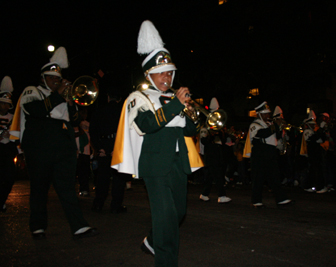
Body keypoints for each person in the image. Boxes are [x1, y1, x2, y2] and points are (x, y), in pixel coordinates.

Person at [111, 20, 201, 266]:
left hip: (178, 163)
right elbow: (146, 125)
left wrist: (190, 113)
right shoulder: (137, 97)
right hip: (155, 163)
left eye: (170, 72)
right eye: (161, 72)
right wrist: (176, 107)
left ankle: (151, 241)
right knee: (165, 219)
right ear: (148, 74)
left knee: (178, 213)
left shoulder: (175, 99)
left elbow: (192, 130)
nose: (167, 77)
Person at [9, 47, 98, 239]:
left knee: (67, 188)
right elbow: (37, 110)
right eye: (52, 78)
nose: (56, 81)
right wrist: (58, 94)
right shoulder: (31, 91)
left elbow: (74, 120)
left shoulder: (62, 97)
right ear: (43, 78)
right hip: (40, 146)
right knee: (39, 188)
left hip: (63, 145)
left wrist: (71, 102)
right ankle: (38, 226)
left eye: (58, 78)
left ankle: (78, 226)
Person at [245, 101, 292, 208]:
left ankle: (281, 199)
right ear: (259, 114)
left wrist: (281, 127)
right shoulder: (254, 124)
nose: (268, 116)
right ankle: (256, 201)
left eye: (268, 113)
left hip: (270, 151)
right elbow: (262, 134)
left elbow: (277, 136)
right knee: (258, 178)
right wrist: (276, 125)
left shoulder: (270, 124)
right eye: (265, 113)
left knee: (275, 176)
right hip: (260, 152)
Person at [90, 91, 128, 213]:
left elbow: (93, 131)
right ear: (120, 98)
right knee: (118, 179)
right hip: (117, 145)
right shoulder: (123, 111)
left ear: (108, 97)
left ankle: (98, 203)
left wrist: (98, 147)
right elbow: (127, 131)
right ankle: (116, 205)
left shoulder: (99, 110)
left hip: (103, 145)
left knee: (102, 178)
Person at [0, 76, 18, 212]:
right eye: (3, 103)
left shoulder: (13, 117)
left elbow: (17, 135)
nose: (5, 106)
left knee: (9, 177)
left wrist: (10, 136)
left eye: (7, 103)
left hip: (8, 150)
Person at [199, 129, 232, 203]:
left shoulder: (218, 134)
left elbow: (223, 141)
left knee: (210, 178)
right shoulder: (206, 131)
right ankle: (221, 196)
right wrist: (211, 134)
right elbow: (204, 141)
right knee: (218, 177)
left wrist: (221, 132)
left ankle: (204, 194)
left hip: (217, 158)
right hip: (211, 159)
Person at [75, 108, 91, 197]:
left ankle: (84, 189)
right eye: (82, 113)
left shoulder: (88, 124)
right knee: (76, 171)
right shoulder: (74, 124)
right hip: (77, 151)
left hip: (86, 151)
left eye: (85, 113)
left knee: (84, 172)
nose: (84, 115)